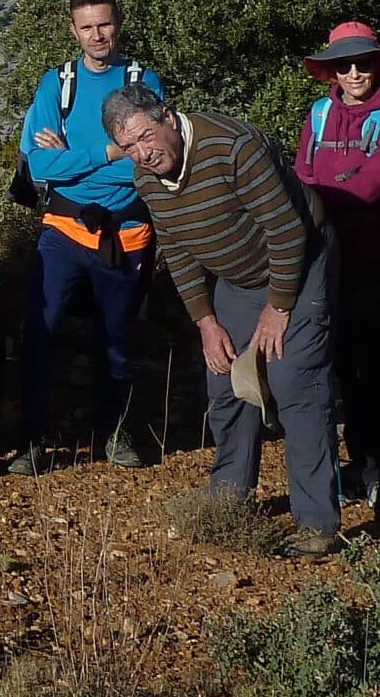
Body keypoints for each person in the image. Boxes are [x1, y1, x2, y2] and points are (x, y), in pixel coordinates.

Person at [103, 83, 345, 557]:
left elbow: (285, 229)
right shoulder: (146, 179)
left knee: (295, 380)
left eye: (146, 137)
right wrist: (206, 321)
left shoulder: (232, 146)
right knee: (227, 379)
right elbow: (177, 249)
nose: (142, 153)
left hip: (301, 259)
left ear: (168, 117)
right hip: (236, 277)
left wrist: (279, 307)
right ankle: (230, 497)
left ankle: (317, 521)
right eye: (129, 146)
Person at [13, 0, 164, 474]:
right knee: (41, 328)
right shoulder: (57, 83)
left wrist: (70, 161)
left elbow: (147, 163)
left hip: (124, 232)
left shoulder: (144, 82)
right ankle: (34, 436)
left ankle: (115, 432)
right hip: (64, 227)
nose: (98, 35)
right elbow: (37, 166)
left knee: (117, 337)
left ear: (118, 22)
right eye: (87, 27)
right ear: (73, 30)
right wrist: (106, 152)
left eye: (105, 23)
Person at [291, 22, 380, 517]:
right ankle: (356, 464)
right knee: (338, 366)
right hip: (326, 260)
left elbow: (370, 188)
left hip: (375, 262)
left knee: (374, 370)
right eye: (343, 64)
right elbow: (304, 177)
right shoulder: (320, 114)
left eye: (362, 62)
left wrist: (327, 191)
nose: (353, 72)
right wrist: (337, 184)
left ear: (377, 64)